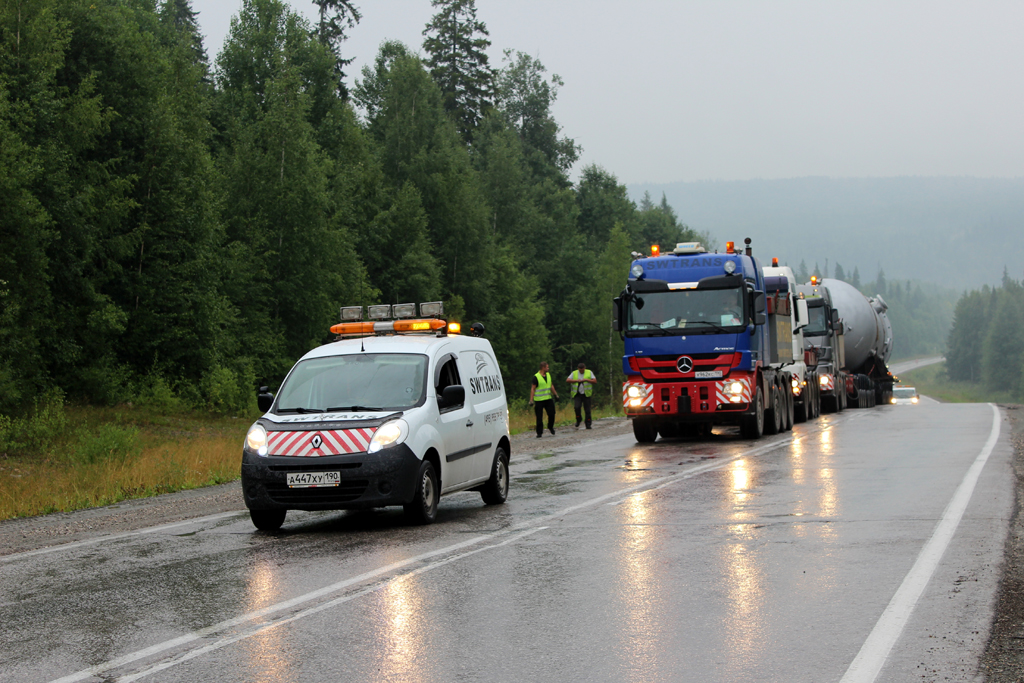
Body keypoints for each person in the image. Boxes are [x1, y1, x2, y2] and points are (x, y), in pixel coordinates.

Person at [528, 361, 558, 437]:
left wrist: (556, 395)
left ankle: (550, 426)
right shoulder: (536, 377)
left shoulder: (548, 375)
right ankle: (539, 432)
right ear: (543, 368)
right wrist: (531, 400)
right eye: (547, 367)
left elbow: (551, 385)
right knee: (539, 417)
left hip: (548, 399)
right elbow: (533, 389)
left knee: (552, 414)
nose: (548, 368)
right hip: (539, 400)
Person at [566, 362, 597, 429]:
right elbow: (568, 380)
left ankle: (588, 424)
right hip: (577, 394)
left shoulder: (589, 372)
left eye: (582, 370)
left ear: (584, 368)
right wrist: (576, 380)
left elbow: (595, 381)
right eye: (580, 370)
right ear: (578, 368)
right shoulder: (574, 373)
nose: (581, 371)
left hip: (586, 394)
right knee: (577, 407)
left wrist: (587, 380)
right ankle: (578, 419)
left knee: (587, 410)